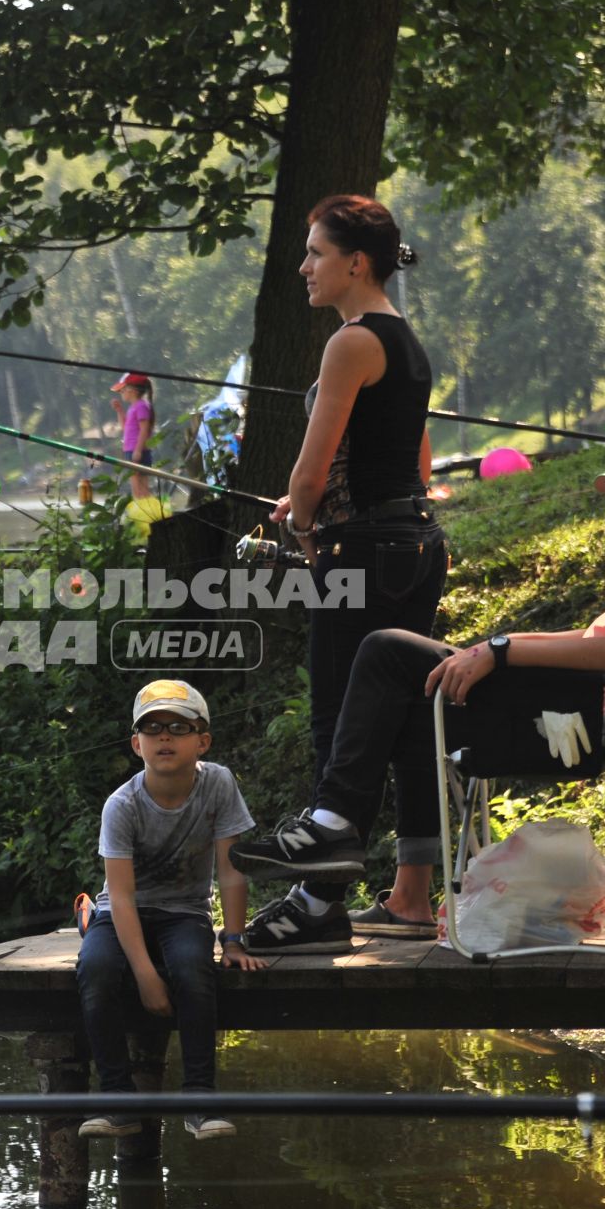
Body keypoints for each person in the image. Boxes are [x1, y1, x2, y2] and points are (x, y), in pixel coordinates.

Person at [230, 430, 605, 953]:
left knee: (387, 652)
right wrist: (496, 646)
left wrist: (500, 651)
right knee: (413, 695)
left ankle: (330, 840)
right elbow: (600, 641)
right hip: (579, 704)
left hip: (579, 717)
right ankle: (347, 893)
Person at [250, 194, 446, 942]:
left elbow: (307, 481)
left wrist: (304, 522)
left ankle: (318, 906)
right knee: (403, 720)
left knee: (340, 721)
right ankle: (411, 898)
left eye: (315, 253)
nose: (304, 267)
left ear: (355, 262)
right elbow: (411, 464)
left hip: (362, 553)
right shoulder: (406, 341)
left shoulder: (351, 342)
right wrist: (316, 509)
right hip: (415, 545)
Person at [76, 680, 266, 1143]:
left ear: (202, 740)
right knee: (97, 967)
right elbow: (120, 897)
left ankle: (200, 1100)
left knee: (191, 968)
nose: (165, 737)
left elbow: (231, 870)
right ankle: (118, 1102)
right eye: (152, 728)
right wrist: (143, 974)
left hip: (184, 912)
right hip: (122, 911)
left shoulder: (218, 783)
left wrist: (234, 940)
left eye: (178, 727)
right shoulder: (121, 805)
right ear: (136, 743)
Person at [110, 372, 156, 501]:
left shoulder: (141, 406)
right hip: (130, 450)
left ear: (133, 390)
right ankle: (141, 510)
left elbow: (144, 429)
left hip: (138, 451)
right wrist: (119, 411)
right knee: (135, 487)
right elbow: (125, 428)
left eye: (122, 390)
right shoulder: (133, 408)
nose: (121, 393)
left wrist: (138, 450)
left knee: (141, 487)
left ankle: (146, 512)